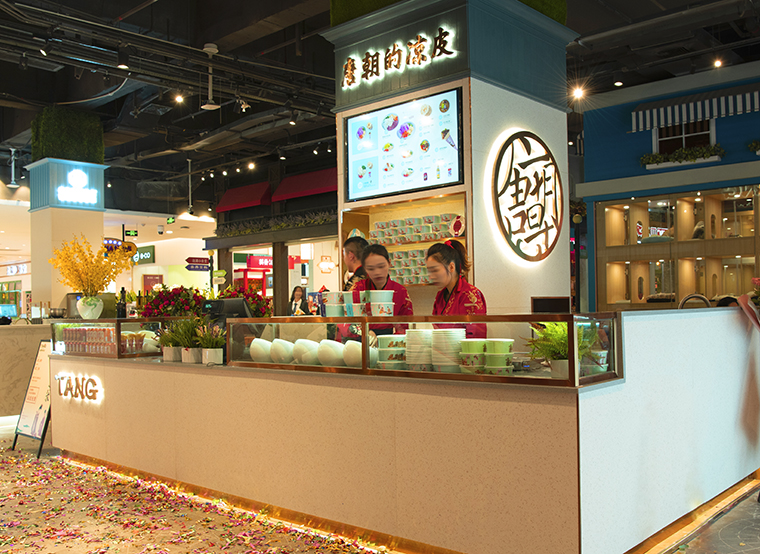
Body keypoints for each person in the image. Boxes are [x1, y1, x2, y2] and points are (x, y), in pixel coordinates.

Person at [426, 239, 487, 338]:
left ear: (451, 267)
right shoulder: (440, 296)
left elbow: (476, 338)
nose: (431, 276)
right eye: (429, 271)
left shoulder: (470, 295)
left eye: (435, 270)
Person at [351, 244, 414, 336]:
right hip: (362, 337)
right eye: (371, 268)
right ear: (364, 268)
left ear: (389, 263)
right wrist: (364, 332)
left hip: (390, 338)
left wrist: (392, 339)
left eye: (381, 266)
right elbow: (347, 321)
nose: (377, 272)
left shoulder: (400, 291)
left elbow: (406, 325)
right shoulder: (358, 289)